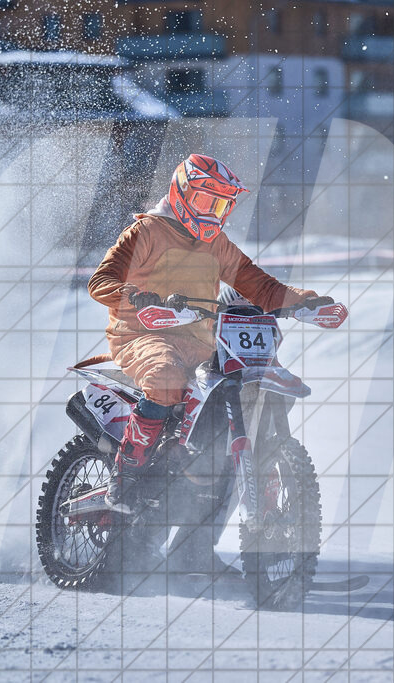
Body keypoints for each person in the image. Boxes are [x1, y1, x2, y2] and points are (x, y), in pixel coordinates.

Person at [88, 154, 332, 514]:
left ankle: (215, 481)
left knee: (244, 380)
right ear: (181, 192)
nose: (211, 213)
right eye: (205, 201)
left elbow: (260, 285)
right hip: (142, 334)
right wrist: (134, 296)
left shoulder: (217, 244)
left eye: (220, 206)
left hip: (198, 341)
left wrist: (303, 302)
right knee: (166, 377)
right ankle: (125, 475)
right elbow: (100, 281)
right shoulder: (147, 232)